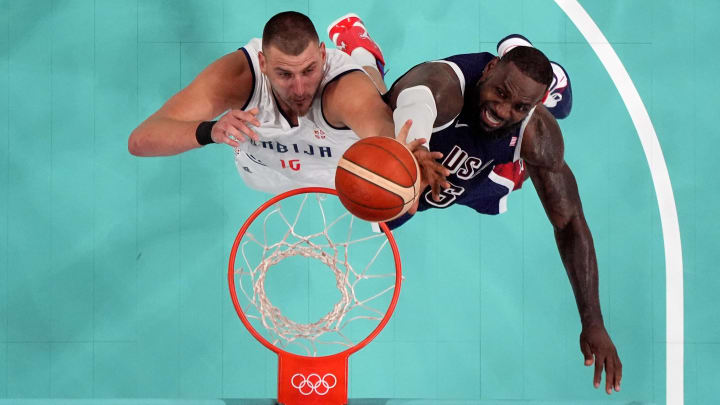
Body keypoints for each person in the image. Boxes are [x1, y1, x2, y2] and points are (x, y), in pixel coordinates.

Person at [328, 16, 620, 395]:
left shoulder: (536, 131)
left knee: (526, 170)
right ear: (490, 69)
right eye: (500, 92)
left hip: (480, 171)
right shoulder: (445, 83)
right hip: (423, 147)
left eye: (520, 105)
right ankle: (365, 52)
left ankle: (534, 125)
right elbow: (417, 101)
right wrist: (412, 148)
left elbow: (568, 222)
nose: (502, 109)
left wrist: (593, 320)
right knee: (373, 108)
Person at [127, 11, 437, 194]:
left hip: (336, 170)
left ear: (322, 55)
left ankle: (363, 53)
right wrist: (209, 131)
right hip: (262, 172)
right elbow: (140, 140)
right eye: (284, 74)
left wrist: (408, 158)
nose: (300, 88)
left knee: (375, 90)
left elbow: (384, 134)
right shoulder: (237, 76)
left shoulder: (343, 90)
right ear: (262, 63)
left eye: (309, 70)